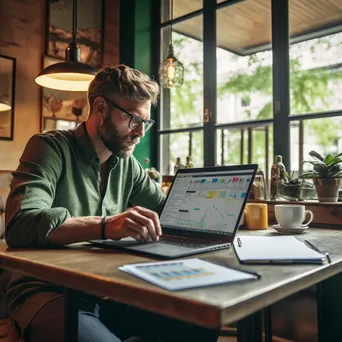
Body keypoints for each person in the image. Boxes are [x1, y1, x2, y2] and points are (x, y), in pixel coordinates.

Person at [5, 65, 220, 342]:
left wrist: (214, 216)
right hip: (47, 292)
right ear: (101, 108)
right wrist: (106, 226)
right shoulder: (49, 147)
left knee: (202, 320)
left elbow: (168, 210)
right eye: (133, 119)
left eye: (147, 122)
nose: (141, 132)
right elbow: (20, 224)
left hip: (111, 288)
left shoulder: (127, 165)